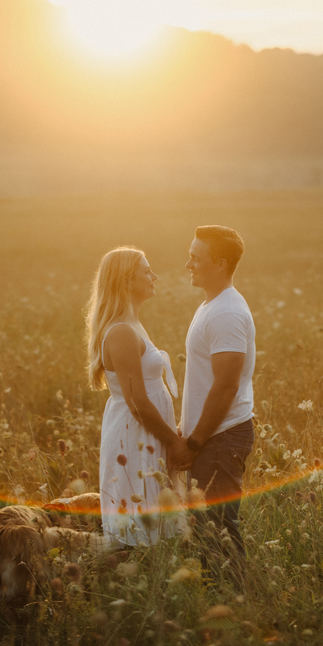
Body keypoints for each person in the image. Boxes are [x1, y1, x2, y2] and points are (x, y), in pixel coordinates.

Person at [85, 247, 188, 546]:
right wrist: (173, 441)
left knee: (154, 512)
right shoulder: (121, 332)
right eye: (147, 271)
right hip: (135, 433)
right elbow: (137, 402)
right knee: (137, 513)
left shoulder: (132, 325)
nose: (154, 276)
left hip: (148, 431)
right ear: (127, 281)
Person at [174, 225, 256, 580]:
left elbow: (225, 387)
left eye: (196, 257)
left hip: (220, 439)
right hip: (212, 438)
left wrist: (194, 442)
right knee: (208, 531)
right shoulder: (211, 305)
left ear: (220, 264)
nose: (188, 263)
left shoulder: (226, 313)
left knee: (219, 532)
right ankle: (224, 604)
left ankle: (239, 606)